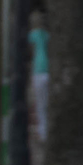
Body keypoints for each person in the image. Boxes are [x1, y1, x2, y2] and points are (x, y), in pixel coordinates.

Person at [26, 11, 49, 146]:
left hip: (38, 71)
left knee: (40, 103)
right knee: (44, 103)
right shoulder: (47, 36)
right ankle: (44, 131)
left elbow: (30, 52)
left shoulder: (32, 36)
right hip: (46, 70)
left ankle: (43, 132)